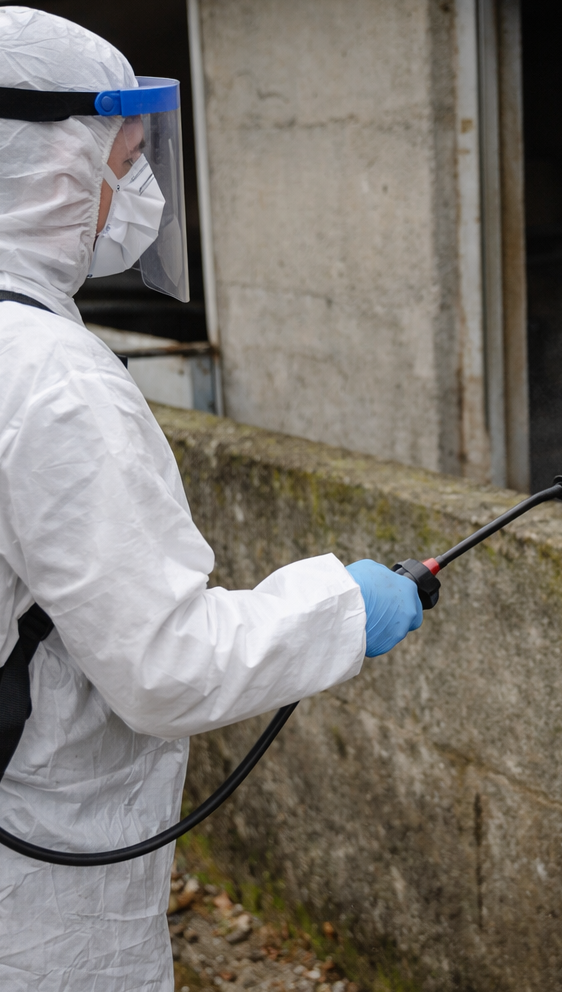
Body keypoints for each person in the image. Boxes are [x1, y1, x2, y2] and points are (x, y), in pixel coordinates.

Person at [0, 8, 422, 989]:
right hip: (38, 905)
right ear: (55, 162)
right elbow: (166, 666)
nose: (137, 192)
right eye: (126, 157)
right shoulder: (52, 381)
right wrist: (349, 607)